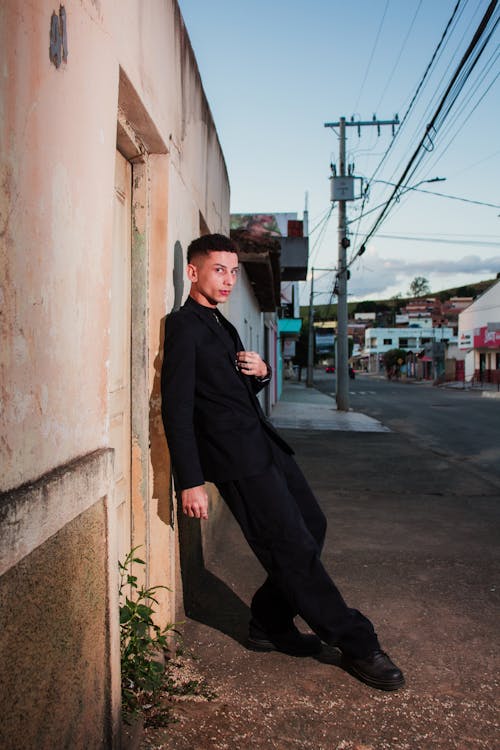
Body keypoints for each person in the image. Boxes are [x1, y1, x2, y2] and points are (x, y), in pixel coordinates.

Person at [161, 233, 404, 691]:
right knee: (291, 547)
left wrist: (263, 373)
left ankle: (269, 623)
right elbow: (177, 409)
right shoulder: (184, 326)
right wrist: (189, 480)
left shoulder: (222, 324)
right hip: (236, 462)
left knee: (313, 526)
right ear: (192, 272)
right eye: (219, 270)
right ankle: (356, 642)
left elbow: (226, 396)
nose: (229, 280)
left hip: (265, 445)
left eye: (233, 271)